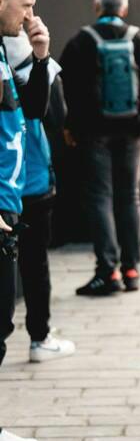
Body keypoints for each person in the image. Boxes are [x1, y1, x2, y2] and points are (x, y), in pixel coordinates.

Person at [60, 0, 140, 296]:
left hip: (94, 135)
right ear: (124, 9)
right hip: (133, 132)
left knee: (100, 197)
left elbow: (64, 87)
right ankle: (132, 269)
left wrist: (73, 124)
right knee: (130, 197)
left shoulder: (82, 41)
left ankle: (107, 271)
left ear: (97, 7)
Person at [0, 0, 54, 441]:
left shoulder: (4, 51)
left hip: (12, 204)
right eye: (26, 5)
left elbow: (30, 114)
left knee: (1, 322)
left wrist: (39, 58)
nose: (31, 15)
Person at [4, 30, 74, 363]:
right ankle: (39, 337)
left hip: (8, 186)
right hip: (32, 181)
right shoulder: (40, 69)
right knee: (36, 264)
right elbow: (57, 116)